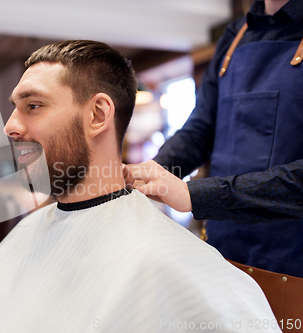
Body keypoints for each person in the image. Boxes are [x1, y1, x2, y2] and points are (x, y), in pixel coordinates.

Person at [0, 41, 280, 333]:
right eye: (15, 106)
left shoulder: (164, 262)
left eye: (33, 105)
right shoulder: (33, 226)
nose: (9, 126)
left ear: (98, 115)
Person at [124, 0, 303, 324]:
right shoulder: (235, 36)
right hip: (221, 256)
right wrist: (152, 172)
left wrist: (195, 195)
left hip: (292, 270)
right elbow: (200, 129)